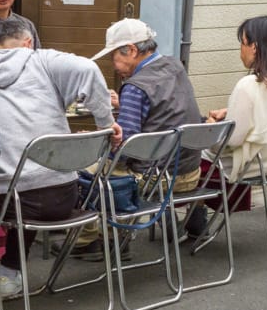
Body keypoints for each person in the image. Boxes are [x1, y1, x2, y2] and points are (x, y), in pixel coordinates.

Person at [0, 17, 120, 299]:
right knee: (32, 173)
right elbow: (88, 67)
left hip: (6, 204)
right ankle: (10, 273)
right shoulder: (43, 61)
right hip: (63, 198)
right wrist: (106, 123)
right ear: (28, 42)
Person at [83, 18, 203, 255]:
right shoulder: (175, 66)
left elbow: (124, 149)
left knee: (84, 171)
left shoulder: (136, 87)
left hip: (155, 179)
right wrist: (127, 103)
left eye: (113, 56)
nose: (113, 64)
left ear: (132, 50)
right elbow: (166, 107)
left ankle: (93, 241)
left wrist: (97, 137)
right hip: (189, 170)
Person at [191, 15, 267, 234]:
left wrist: (210, 129)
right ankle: (195, 222)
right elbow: (265, 115)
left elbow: (231, 141)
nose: (241, 50)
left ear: (254, 47)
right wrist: (231, 113)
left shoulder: (248, 85)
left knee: (183, 160)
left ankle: (191, 222)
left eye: (242, 43)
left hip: (239, 167)